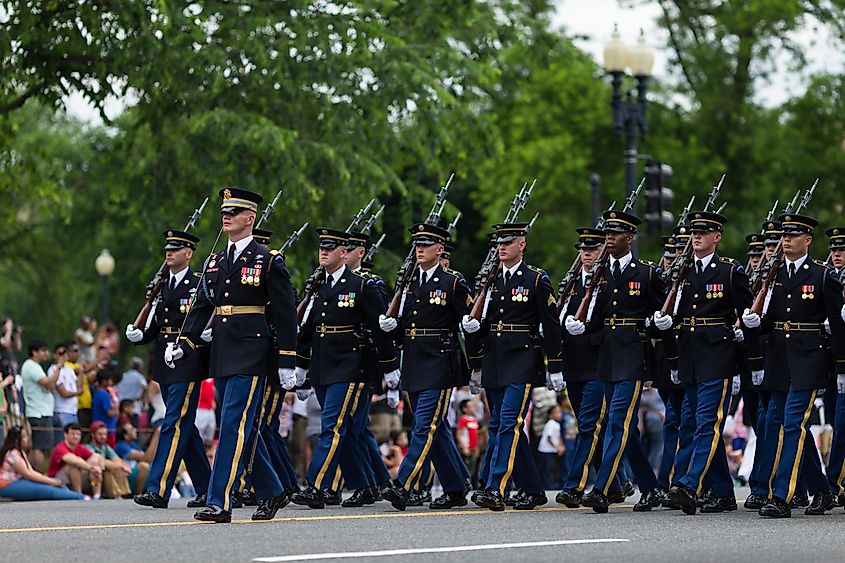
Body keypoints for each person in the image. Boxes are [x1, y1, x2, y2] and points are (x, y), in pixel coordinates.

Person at [169, 187, 297, 523]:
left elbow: (285, 313)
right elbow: (200, 307)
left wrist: (287, 358)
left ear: (250, 218)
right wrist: (183, 343)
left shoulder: (267, 260)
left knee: (232, 427)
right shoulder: (215, 260)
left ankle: (219, 501)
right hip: (224, 349)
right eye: (224, 211)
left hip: (252, 350)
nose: (226, 216)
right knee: (242, 426)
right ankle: (273, 490)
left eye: (234, 211)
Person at [563, 209, 665, 513]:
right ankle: (650, 487)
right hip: (605, 357)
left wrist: (655, 327)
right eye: (607, 232)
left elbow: (664, 316)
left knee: (618, 422)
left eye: (615, 232)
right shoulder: (599, 273)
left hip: (632, 356)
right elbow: (594, 315)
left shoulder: (646, 273)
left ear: (630, 237)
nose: (609, 237)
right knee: (619, 428)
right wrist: (580, 326)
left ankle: (603, 488)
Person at [292, 227, 399, 509]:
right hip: (323, 367)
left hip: (351, 366)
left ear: (344, 252)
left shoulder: (361, 285)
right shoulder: (318, 287)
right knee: (350, 429)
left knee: (332, 426)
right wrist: (301, 365)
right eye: (321, 248)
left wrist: (389, 369)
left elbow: (380, 331)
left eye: (330, 248)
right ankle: (368, 484)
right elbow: (307, 329)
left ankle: (316, 486)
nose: (323, 252)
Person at [661, 210, 759, 515]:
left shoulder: (730, 271)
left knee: (707, 423)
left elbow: (748, 317)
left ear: (717, 237)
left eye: (703, 232)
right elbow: (675, 312)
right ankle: (721, 491)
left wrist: (752, 363)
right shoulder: (683, 270)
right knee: (697, 423)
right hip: (690, 356)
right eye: (694, 232)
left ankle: (690, 483)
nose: (697, 237)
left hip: (718, 357)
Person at [466, 221, 563, 511]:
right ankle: (533, 489)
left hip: (522, 359)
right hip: (495, 360)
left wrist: (554, 366)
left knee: (509, 422)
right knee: (500, 425)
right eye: (498, 243)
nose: (501, 247)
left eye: (508, 242)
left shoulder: (536, 279)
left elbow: (551, 325)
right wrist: (475, 359)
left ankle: (497, 487)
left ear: (521, 244)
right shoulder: (489, 280)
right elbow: (480, 324)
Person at [379, 222, 475, 510]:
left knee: (424, 426)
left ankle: (403, 485)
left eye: (426, 245)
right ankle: (456, 488)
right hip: (415, 359)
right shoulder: (409, 281)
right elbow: (405, 321)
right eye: (417, 245)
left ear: (440, 249)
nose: (419, 249)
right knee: (437, 430)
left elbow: (470, 322)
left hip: (439, 360)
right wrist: (392, 328)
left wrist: (477, 365)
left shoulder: (453, 282)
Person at [757, 213, 845, 518]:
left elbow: (836, 324)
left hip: (809, 360)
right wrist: (756, 324)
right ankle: (821, 490)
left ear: (807, 240)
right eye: (784, 235)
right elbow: (770, 320)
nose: (786, 240)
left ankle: (781, 495)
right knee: (779, 424)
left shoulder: (822, 276)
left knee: (793, 423)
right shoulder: (776, 273)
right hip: (780, 360)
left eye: (792, 236)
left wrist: (842, 367)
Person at [128, 228, 212, 510]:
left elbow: (206, 319)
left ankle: (158, 488)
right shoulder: (163, 284)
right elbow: (157, 325)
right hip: (164, 363)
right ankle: (206, 488)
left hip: (187, 360)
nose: (169, 253)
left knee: (173, 422)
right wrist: (142, 334)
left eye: (175, 249)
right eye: (167, 249)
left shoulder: (199, 283)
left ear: (188, 254)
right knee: (185, 427)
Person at [556, 226, 634, 508]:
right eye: (583, 249)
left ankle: (574, 485)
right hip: (573, 365)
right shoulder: (573, 282)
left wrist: (587, 332)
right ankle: (617, 481)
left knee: (589, 426)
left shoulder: (606, 282)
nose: (586, 254)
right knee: (589, 427)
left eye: (592, 249)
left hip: (599, 366)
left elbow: (612, 324)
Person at [0, 426, 85, 501]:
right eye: (24, 437)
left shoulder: (21, 452)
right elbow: (28, 474)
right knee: (46, 490)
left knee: (54, 484)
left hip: (19, 481)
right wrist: (51, 481)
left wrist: (50, 480)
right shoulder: (12, 454)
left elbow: (31, 471)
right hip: (7, 484)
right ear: (16, 440)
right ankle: (80, 497)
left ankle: (78, 496)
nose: (27, 439)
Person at [21, 339, 60, 471]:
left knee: (37, 446)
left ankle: (33, 476)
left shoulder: (34, 366)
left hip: (39, 411)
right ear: (34, 352)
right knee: (40, 447)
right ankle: (38, 476)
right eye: (43, 350)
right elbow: (49, 384)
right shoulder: (31, 366)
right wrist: (59, 367)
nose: (46, 353)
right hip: (39, 412)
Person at [48, 423, 104, 497]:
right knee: (73, 466)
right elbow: (73, 460)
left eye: (78, 434)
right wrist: (92, 468)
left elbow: (98, 456)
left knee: (94, 462)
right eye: (73, 434)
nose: (76, 436)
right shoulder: (60, 448)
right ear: (65, 435)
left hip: (74, 479)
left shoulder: (79, 447)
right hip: (56, 480)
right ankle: (79, 495)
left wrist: (100, 468)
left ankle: (97, 495)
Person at [87, 421, 132, 498]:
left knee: (117, 468)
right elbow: (102, 462)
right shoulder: (87, 447)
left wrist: (122, 466)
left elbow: (117, 460)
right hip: (90, 479)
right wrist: (120, 466)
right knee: (108, 470)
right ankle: (114, 495)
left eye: (105, 434)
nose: (103, 437)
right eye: (100, 434)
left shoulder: (105, 447)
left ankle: (121, 494)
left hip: (101, 477)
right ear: (92, 435)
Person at [115, 421, 160, 495]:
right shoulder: (120, 446)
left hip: (134, 474)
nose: (135, 430)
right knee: (144, 466)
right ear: (125, 436)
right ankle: (138, 494)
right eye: (132, 429)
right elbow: (147, 458)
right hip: (126, 476)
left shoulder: (133, 444)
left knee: (157, 465)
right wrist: (156, 436)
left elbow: (150, 458)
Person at [52, 342, 82, 443]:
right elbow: (64, 393)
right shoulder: (53, 369)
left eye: (64, 353)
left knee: (74, 442)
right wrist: (77, 392)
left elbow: (79, 387)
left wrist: (81, 372)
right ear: (54, 355)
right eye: (60, 353)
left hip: (73, 411)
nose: (63, 356)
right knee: (62, 441)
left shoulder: (69, 369)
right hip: (62, 410)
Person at [537, 405, 564, 489]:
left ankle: (552, 484)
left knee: (552, 468)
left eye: (560, 412)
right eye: (556, 412)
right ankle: (548, 486)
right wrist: (557, 447)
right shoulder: (550, 423)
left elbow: (558, 437)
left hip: (552, 450)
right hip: (545, 450)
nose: (559, 414)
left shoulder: (557, 424)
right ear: (550, 415)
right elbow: (549, 437)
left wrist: (561, 446)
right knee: (547, 468)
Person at [91, 368, 119, 446]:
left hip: (99, 427)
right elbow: (110, 412)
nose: (111, 382)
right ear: (104, 381)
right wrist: (116, 410)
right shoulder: (104, 394)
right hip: (107, 428)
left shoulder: (96, 392)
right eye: (110, 380)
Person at [456, 399, 480, 481]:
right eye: (470, 407)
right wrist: (464, 446)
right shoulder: (463, 420)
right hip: (467, 447)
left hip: (474, 447)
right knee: (466, 466)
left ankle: (473, 482)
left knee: (474, 466)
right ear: (464, 409)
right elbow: (459, 434)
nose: (473, 408)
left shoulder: (474, 419)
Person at [195, 377, 217, 444]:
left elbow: (212, 390)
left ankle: (208, 450)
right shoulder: (202, 380)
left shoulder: (212, 380)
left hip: (210, 409)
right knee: (200, 431)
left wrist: (213, 400)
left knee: (211, 429)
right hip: (201, 409)